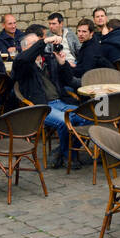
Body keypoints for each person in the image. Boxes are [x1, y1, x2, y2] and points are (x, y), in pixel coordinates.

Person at [11, 31, 86, 168]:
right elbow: (23, 58)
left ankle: (64, 151)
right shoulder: (22, 64)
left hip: (60, 102)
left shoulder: (49, 59)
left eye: (38, 42)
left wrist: (62, 64)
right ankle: (69, 157)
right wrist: (44, 41)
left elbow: (68, 80)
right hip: (41, 107)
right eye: (34, 44)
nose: (39, 46)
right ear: (25, 48)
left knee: (86, 116)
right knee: (64, 121)